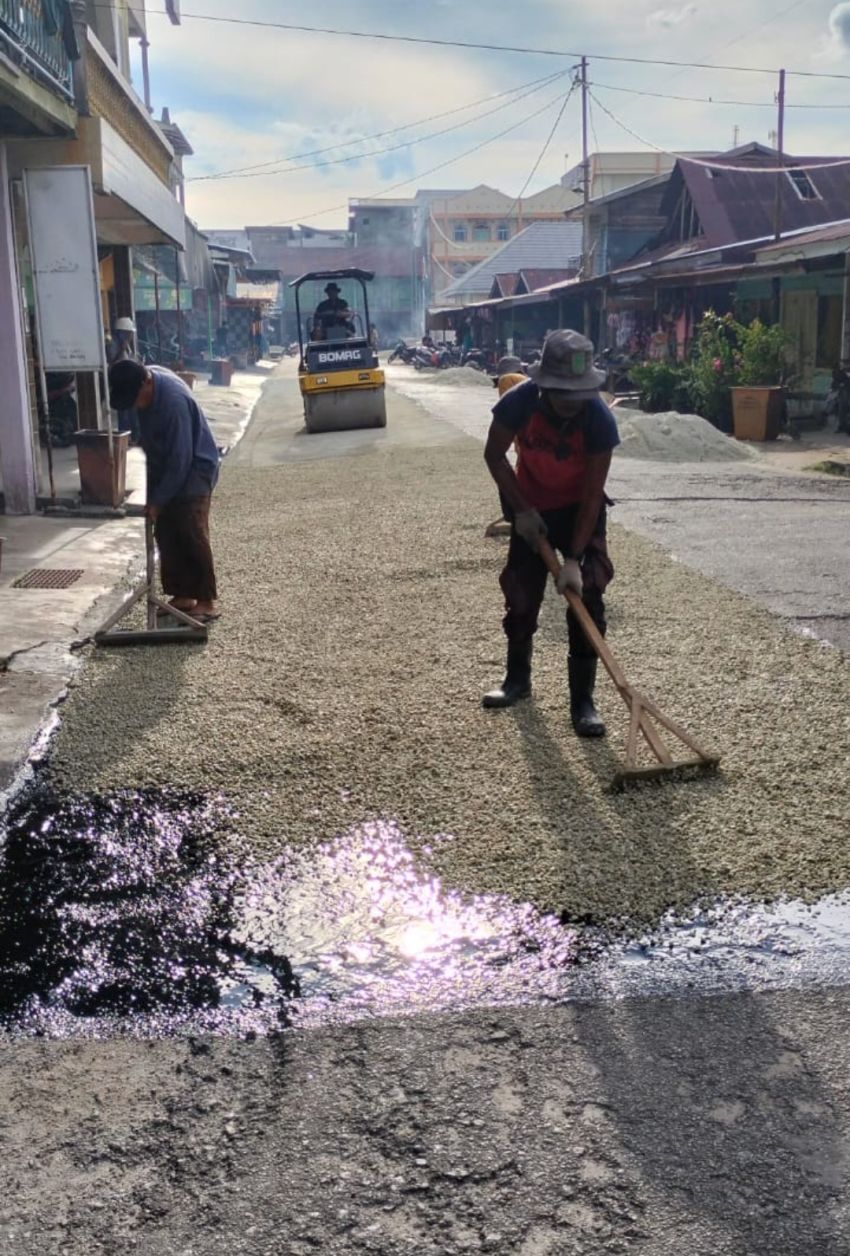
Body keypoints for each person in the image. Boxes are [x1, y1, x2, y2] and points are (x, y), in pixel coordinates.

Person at [482, 329, 619, 737]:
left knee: (587, 599)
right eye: (563, 394)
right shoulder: (518, 403)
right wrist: (522, 510)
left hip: (580, 510)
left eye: (579, 394)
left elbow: (593, 493)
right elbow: (494, 454)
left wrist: (574, 559)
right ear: (544, 386)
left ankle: (583, 701)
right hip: (532, 507)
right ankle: (517, 680)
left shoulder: (598, 419)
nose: (571, 403)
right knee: (521, 595)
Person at [108, 360, 221, 624]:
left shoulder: (173, 404)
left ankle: (207, 600)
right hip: (166, 463)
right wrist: (156, 502)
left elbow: (180, 460)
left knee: (191, 528)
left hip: (196, 465)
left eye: (136, 398)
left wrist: (158, 501)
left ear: (146, 383)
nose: (136, 404)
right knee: (167, 529)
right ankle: (183, 594)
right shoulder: (145, 381)